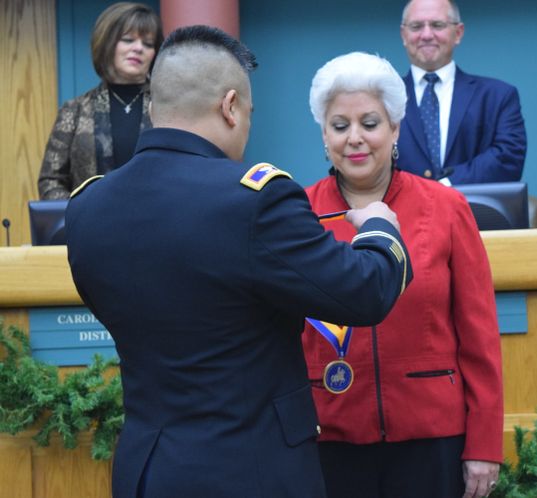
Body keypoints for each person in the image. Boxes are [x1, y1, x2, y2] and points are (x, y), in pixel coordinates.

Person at [65, 27, 413, 498]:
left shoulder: (89, 206)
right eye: (248, 113)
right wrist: (379, 226)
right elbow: (364, 291)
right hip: (252, 469)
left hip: (147, 470)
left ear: (153, 108)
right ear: (230, 106)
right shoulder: (254, 200)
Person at [303, 51, 503, 498]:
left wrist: (485, 444)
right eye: (340, 126)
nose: (355, 138)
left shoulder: (446, 208)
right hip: (328, 437)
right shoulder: (298, 212)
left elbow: (479, 336)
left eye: (370, 123)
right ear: (324, 134)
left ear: (394, 129)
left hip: (431, 438)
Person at [38, 2, 162, 200]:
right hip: (90, 226)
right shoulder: (75, 110)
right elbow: (51, 180)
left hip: (157, 223)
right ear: (107, 43)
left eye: (148, 44)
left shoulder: (166, 107)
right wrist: (79, 211)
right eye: (128, 39)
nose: (138, 48)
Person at [397, 0, 526, 185]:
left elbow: (508, 158)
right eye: (416, 26)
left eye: (437, 25)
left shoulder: (498, 96)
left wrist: (444, 185)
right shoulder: (382, 98)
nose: (426, 35)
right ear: (404, 34)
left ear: (458, 33)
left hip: (474, 210)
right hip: (401, 211)